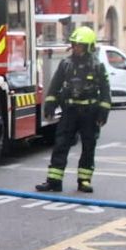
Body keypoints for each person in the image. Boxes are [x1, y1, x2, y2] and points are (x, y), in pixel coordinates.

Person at [36, 25, 112, 194]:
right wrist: (50, 105)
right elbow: (55, 86)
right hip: (69, 111)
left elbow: (106, 92)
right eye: (75, 45)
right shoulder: (66, 64)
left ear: (89, 46)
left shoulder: (97, 66)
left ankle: (84, 180)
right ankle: (54, 181)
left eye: (80, 45)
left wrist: (103, 112)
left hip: (89, 114)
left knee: (88, 146)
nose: (76, 48)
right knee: (61, 145)